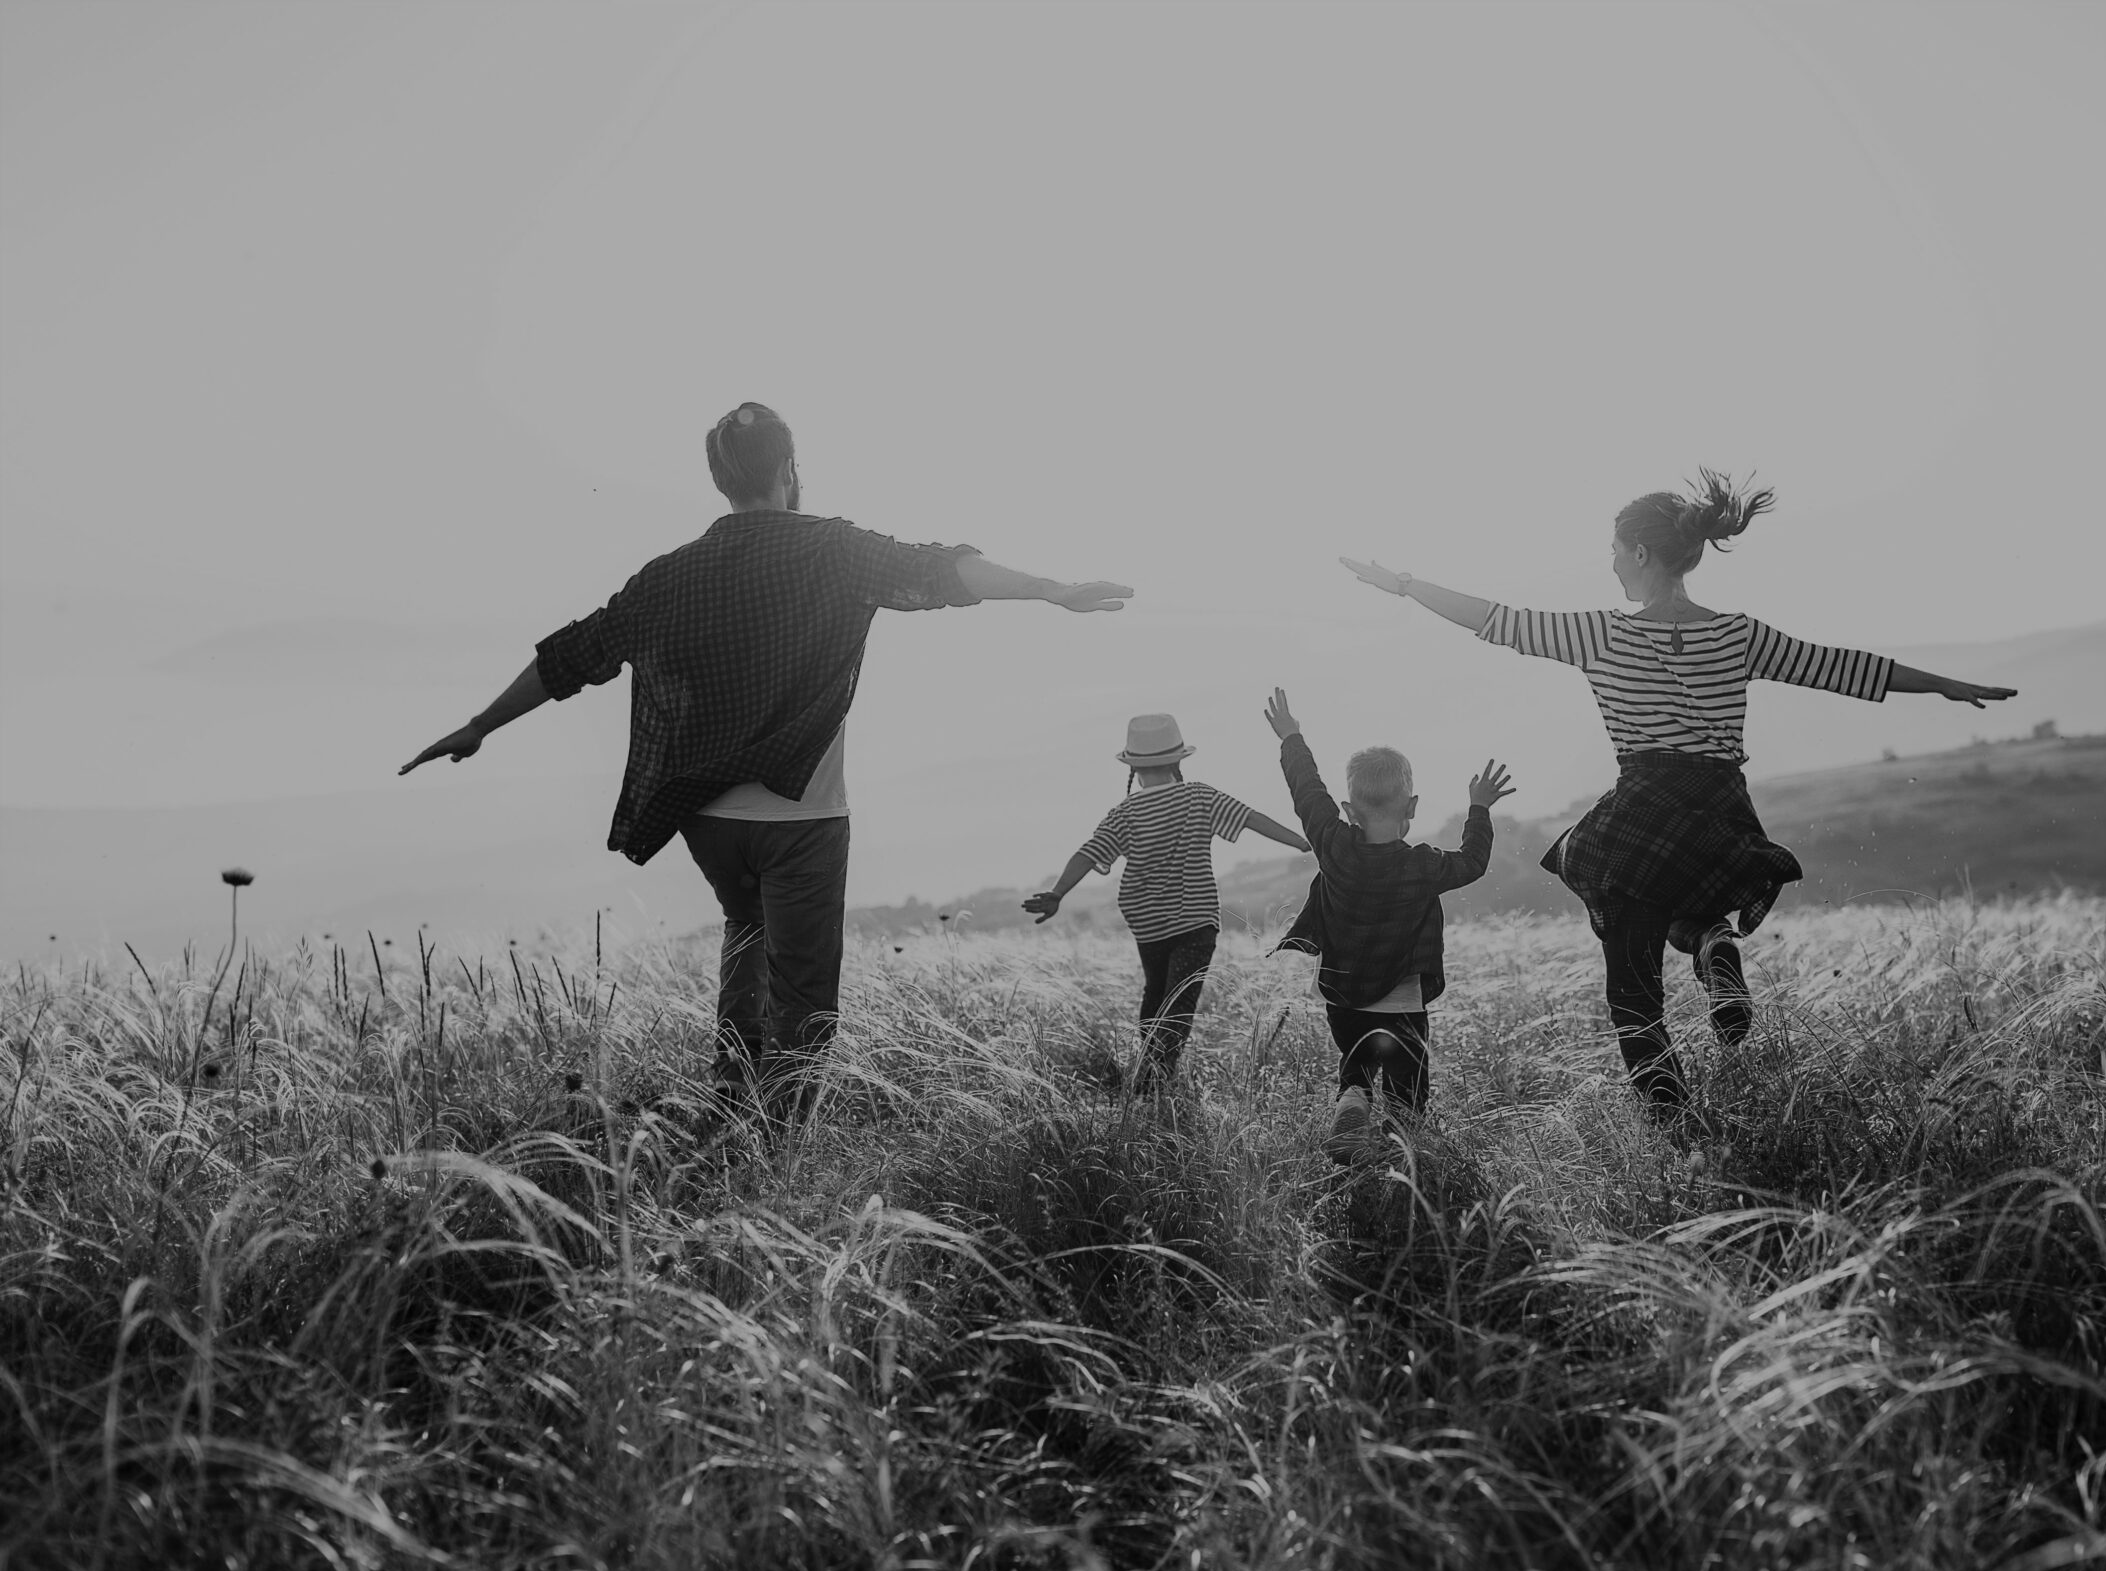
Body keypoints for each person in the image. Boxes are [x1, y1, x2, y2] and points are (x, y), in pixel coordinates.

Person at [400, 402, 1133, 1122]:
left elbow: (575, 655)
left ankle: (731, 1098)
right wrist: (1051, 591)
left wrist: (479, 725)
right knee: (805, 992)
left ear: (722, 480)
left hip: (706, 820)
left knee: (745, 932)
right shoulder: (835, 550)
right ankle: (775, 1146)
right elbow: (943, 570)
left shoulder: (669, 576)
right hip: (802, 818)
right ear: (789, 470)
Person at [1339, 468, 2014, 1128]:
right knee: (1689, 904)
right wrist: (1946, 686)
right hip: (1721, 809)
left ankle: (1676, 1128)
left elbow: (1493, 619)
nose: (1609, 564)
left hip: (1642, 809)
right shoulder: (1739, 634)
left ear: (1639, 550)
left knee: (1632, 994)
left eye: (1613, 550)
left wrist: (1402, 585)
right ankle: (1714, 943)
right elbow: (1843, 667)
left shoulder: (1602, 633)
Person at [1262, 687, 1509, 1164]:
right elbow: (1474, 862)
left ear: (1349, 810)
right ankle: (1398, 1164)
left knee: (1356, 1064)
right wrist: (1479, 807)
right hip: (1401, 999)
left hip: (1341, 995)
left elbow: (1307, 792)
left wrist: (1292, 737)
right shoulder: (1423, 865)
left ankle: (1353, 1096)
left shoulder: (1333, 844)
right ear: (1412, 807)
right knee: (1406, 1094)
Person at [1021, 713, 1311, 1089]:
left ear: (1134, 767)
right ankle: (1155, 1080)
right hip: (1195, 921)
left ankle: (1149, 1073)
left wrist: (1058, 893)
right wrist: (1302, 841)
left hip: (1148, 924)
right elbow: (1251, 818)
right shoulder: (1199, 796)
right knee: (1178, 1001)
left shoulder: (1124, 813)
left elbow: (1087, 854)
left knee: (1155, 994)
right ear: (1178, 760)